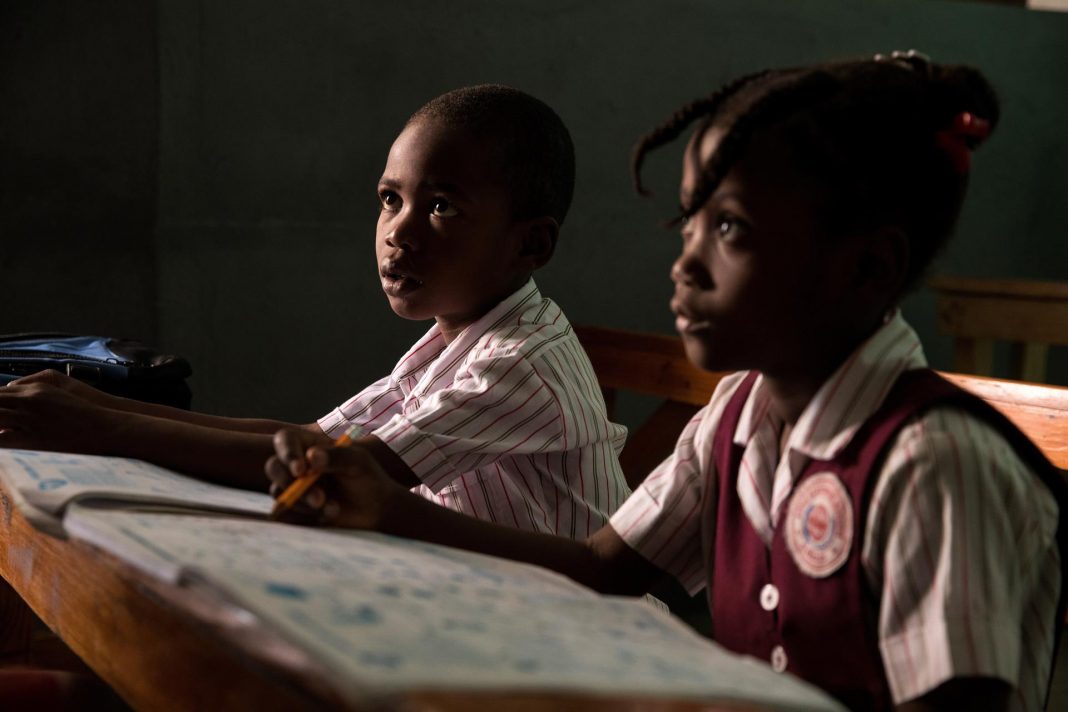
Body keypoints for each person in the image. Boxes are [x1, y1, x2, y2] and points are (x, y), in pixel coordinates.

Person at [264, 54, 1066, 710]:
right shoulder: (740, 414)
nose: (686, 262)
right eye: (687, 222)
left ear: (869, 267)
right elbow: (603, 567)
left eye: (730, 229)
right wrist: (387, 507)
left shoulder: (932, 466)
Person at [0, 85, 630, 538]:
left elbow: (338, 468)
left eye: (441, 207)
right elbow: (315, 441)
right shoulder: (453, 341)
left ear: (531, 244)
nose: (397, 233)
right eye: (390, 199)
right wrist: (92, 404)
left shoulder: (521, 363)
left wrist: (95, 429)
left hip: (590, 638)